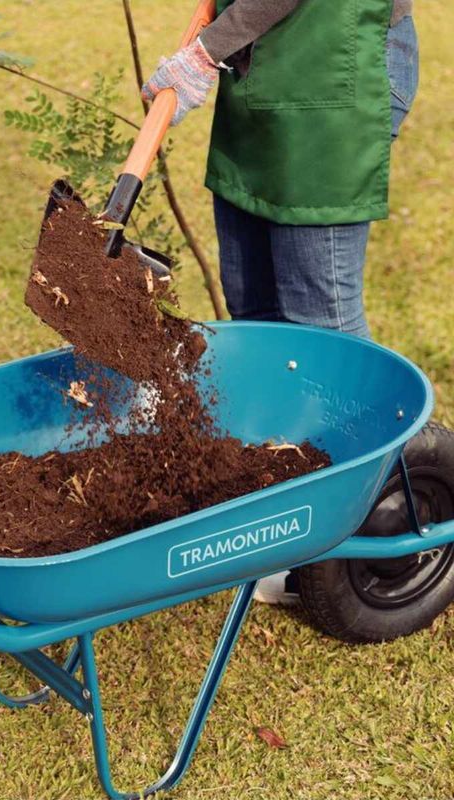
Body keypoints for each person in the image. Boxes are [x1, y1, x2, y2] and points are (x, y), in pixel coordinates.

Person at [142, 0, 419, 603]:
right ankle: (286, 519)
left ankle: (379, 527)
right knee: (259, 315)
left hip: (332, 66)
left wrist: (203, 51)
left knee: (322, 323)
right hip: (263, 71)